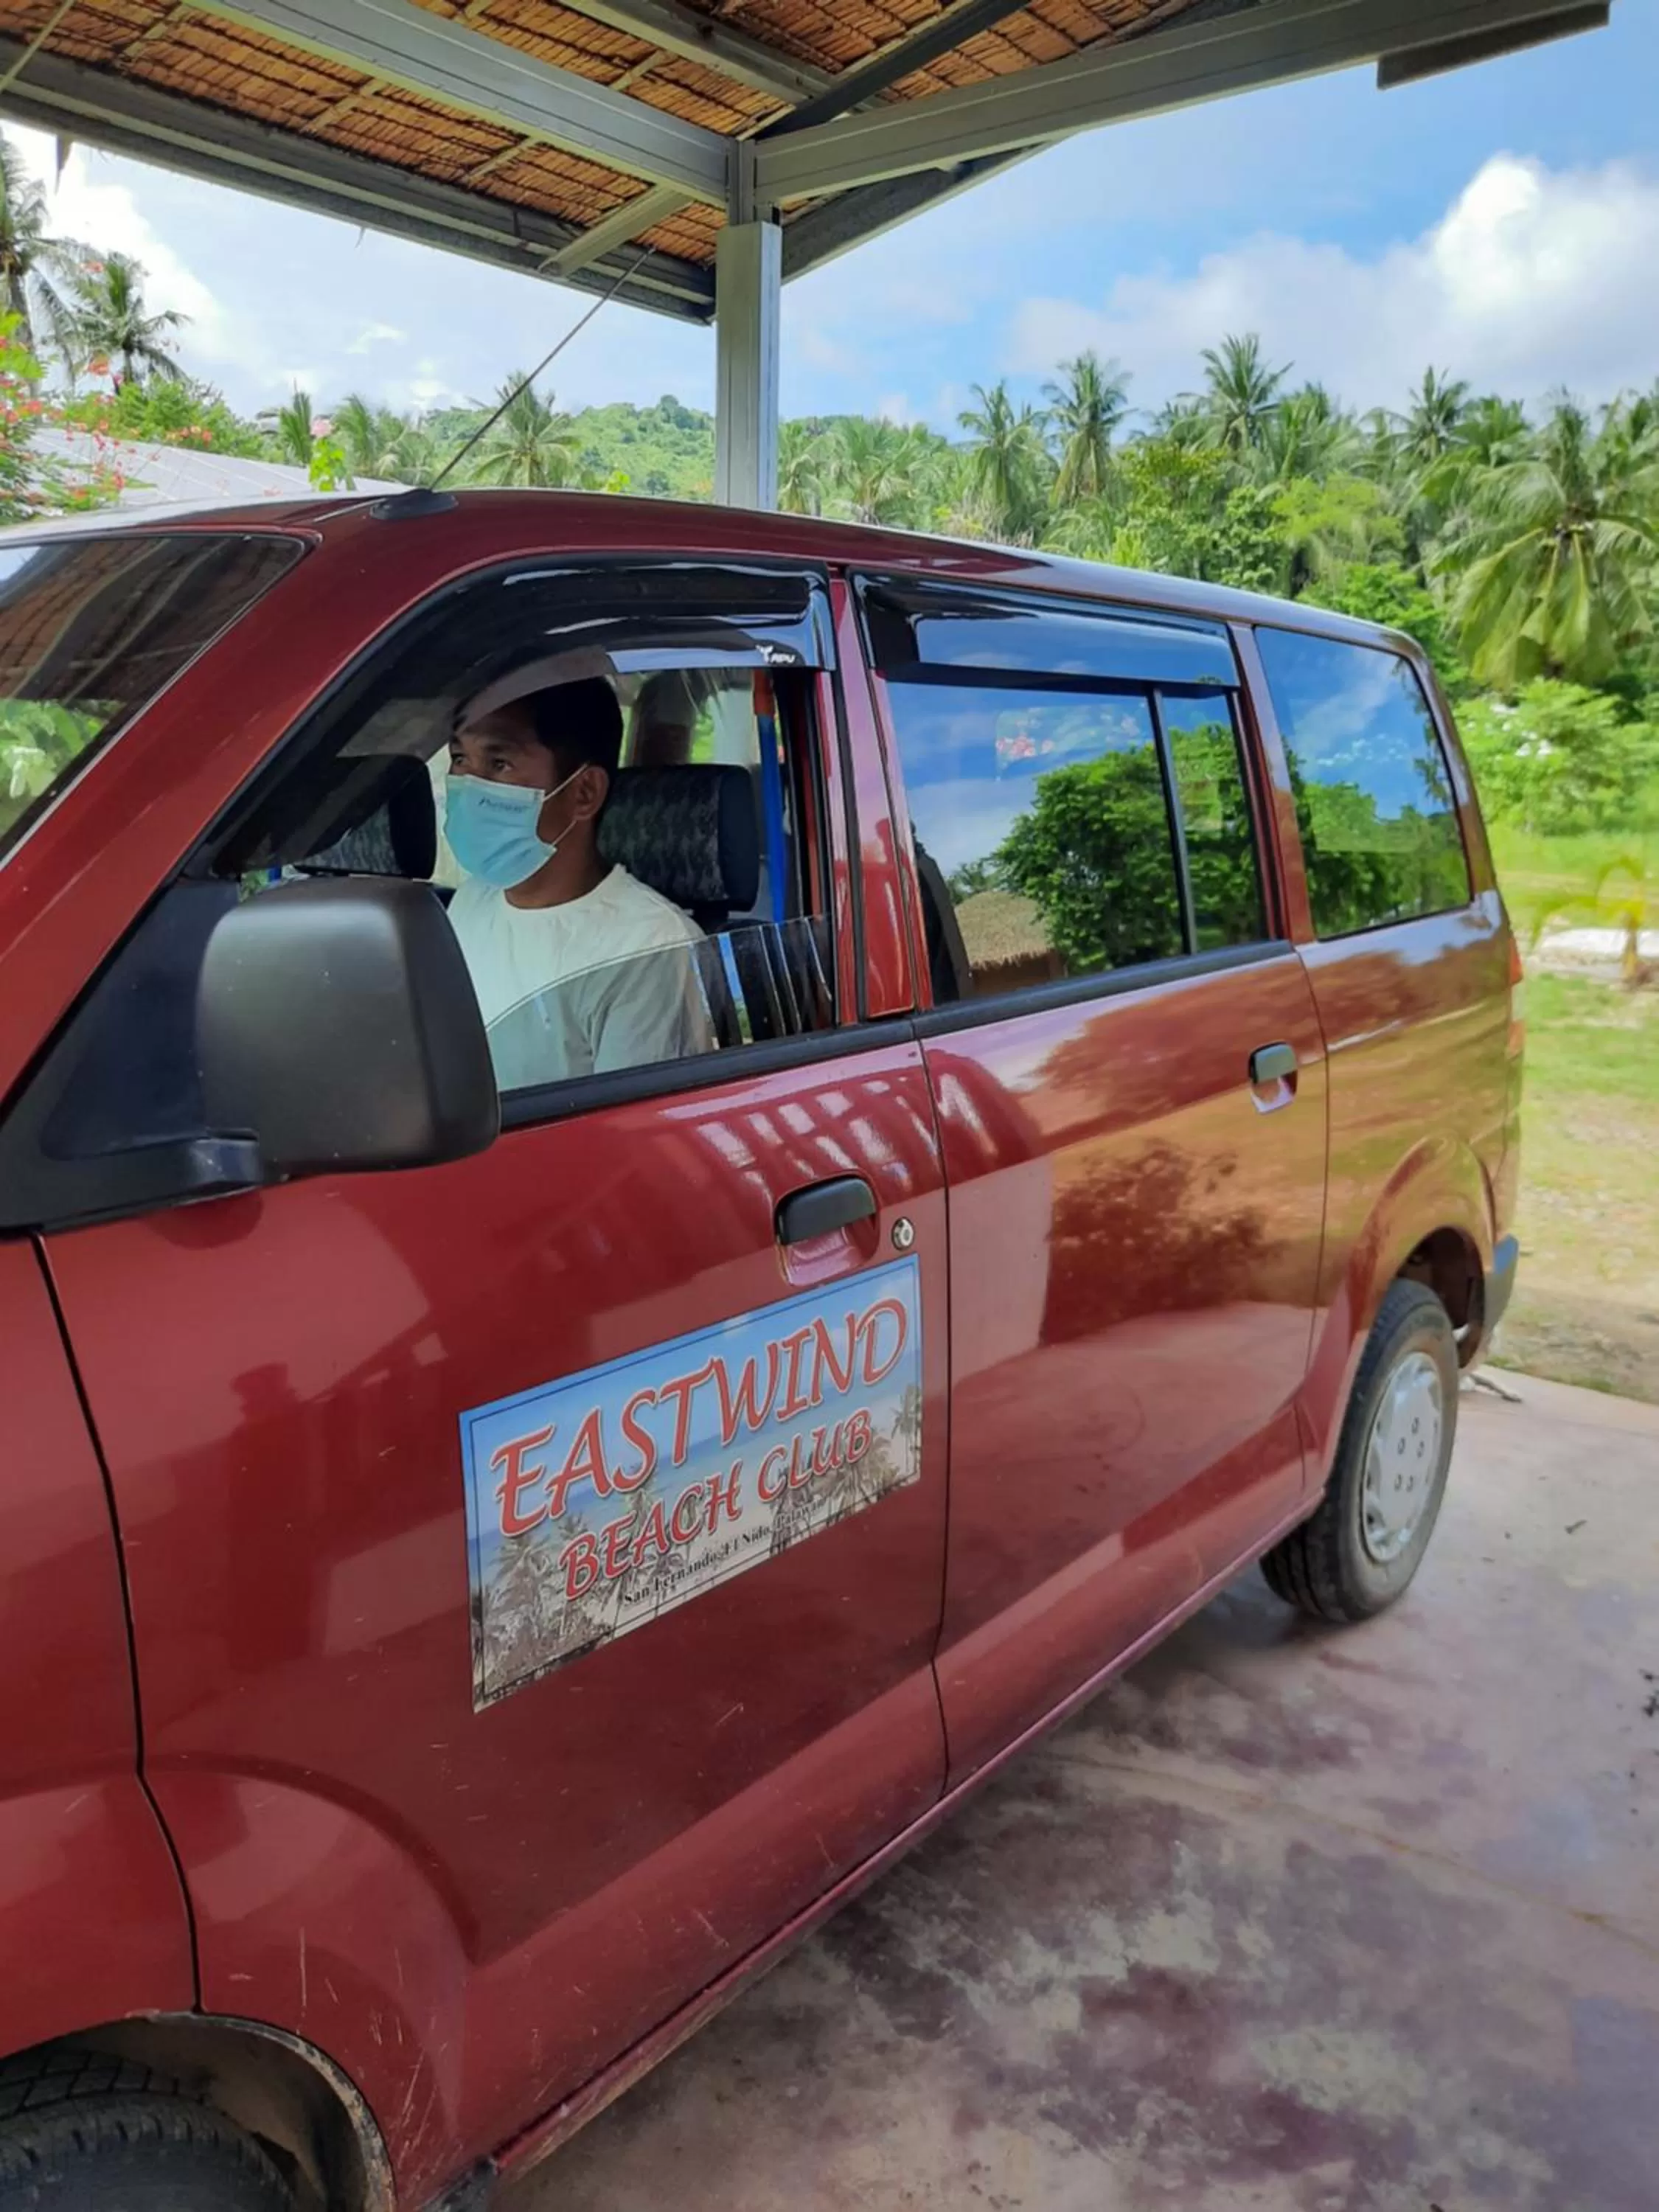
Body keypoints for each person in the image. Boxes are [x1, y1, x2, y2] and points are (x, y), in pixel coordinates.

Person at [445, 674, 712, 1088]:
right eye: (460, 759)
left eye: (499, 764)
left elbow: (628, 1138)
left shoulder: (647, 947)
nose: (469, 786)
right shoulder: (471, 901)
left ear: (584, 792)